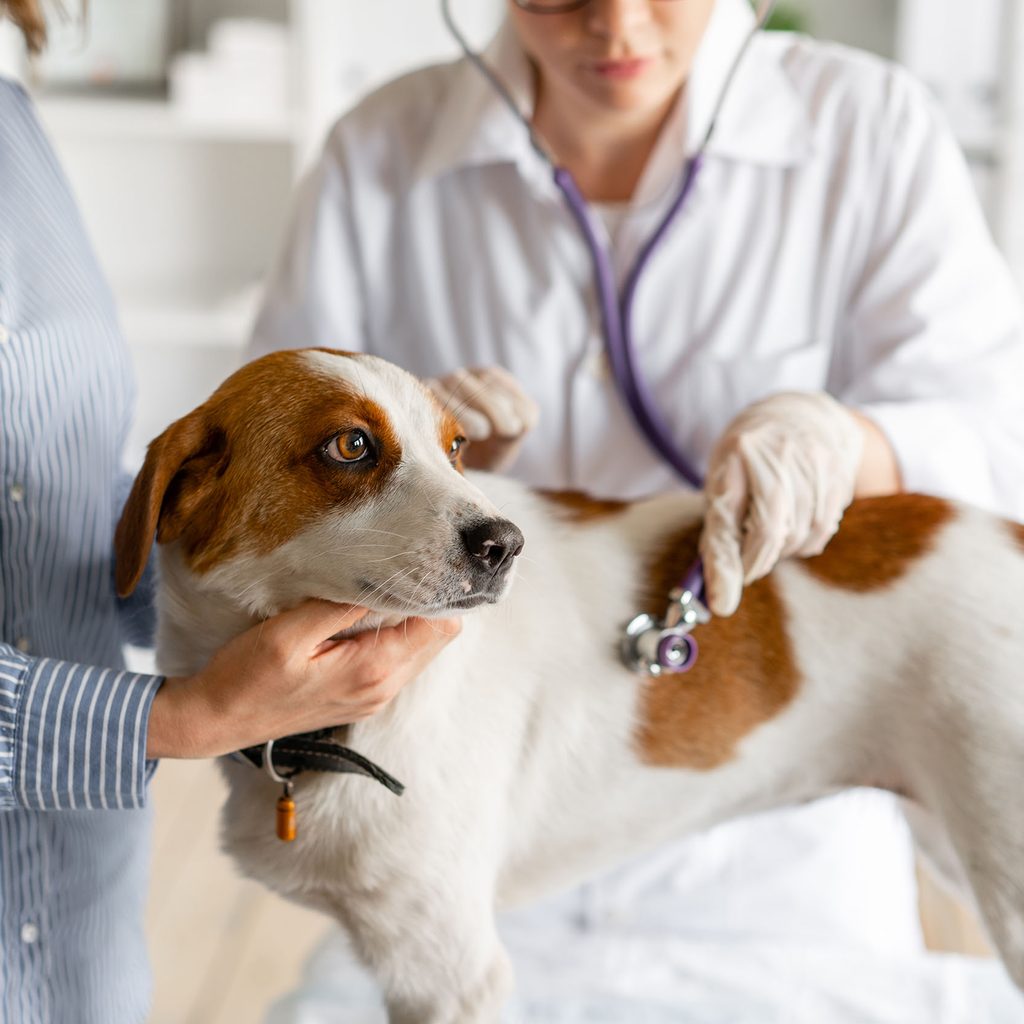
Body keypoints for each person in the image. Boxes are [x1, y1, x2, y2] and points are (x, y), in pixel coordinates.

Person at [248, 0, 1024, 1016]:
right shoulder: (380, 151)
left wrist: (847, 440)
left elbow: (989, 436)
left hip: (770, 846)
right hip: (452, 816)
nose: (613, 28)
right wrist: (403, 471)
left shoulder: (867, 125)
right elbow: (270, 469)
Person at [0, 4, 461, 1023]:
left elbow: (46, 488)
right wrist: (183, 716)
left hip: (74, 889)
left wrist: (293, 553)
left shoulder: (12, 133)